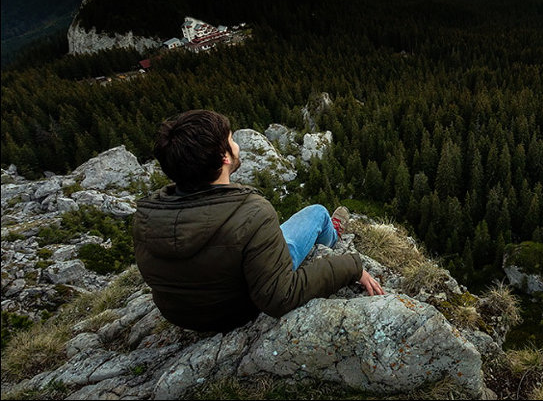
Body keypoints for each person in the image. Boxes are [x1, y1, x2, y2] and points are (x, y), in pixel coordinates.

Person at [133, 109, 383, 333]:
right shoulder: (252, 214)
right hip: (238, 311)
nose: (236, 145)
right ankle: (333, 241)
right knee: (317, 212)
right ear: (224, 157)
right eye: (231, 140)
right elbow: (281, 297)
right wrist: (351, 266)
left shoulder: (145, 216)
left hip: (182, 317)